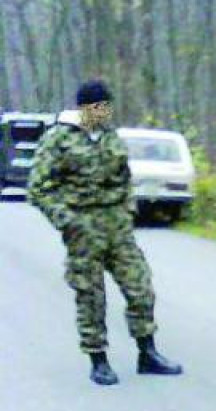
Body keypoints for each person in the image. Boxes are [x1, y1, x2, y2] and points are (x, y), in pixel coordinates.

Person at [27, 80, 182, 385]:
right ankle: (98, 359)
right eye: (100, 106)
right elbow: (38, 189)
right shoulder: (59, 139)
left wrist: (128, 209)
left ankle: (147, 352)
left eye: (108, 106)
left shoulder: (111, 137)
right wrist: (67, 220)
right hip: (82, 227)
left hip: (117, 227)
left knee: (141, 288)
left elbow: (125, 178)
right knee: (91, 296)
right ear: (85, 108)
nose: (106, 112)